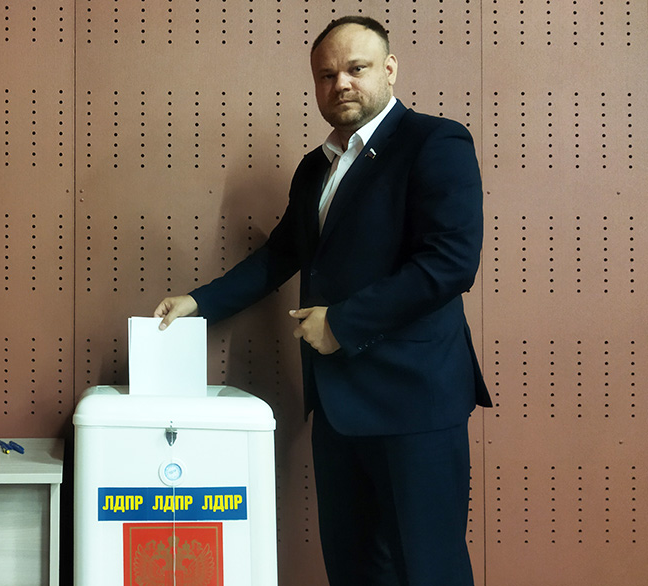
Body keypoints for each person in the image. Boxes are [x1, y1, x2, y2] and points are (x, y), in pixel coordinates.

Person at [154, 15, 493, 586]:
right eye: (327, 74)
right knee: (353, 569)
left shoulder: (436, 142)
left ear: (389, 69)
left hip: (416, 402)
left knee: (428, 569)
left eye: (356, 68)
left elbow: (450, 262)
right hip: (338, 405)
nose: (341, 84)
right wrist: (197, 303)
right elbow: (280, 255)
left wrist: (342, 323)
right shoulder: (317, 166)